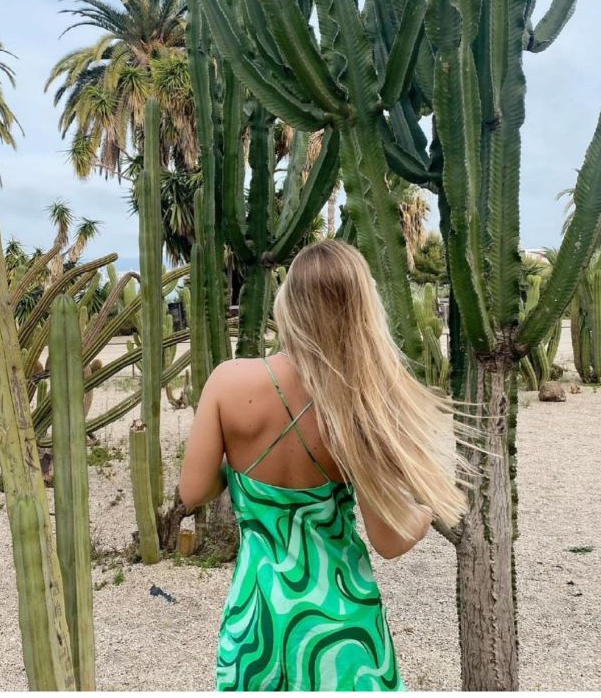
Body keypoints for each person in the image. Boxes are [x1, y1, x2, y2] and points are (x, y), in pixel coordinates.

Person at [179, 240, 465, 691]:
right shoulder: (358, 405)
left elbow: (192, 492)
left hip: (258, 618)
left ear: (288, 303)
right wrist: (428, 511)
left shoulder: (227, 382)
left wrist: (241, 473)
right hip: (341, 625)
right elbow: (389, 541)